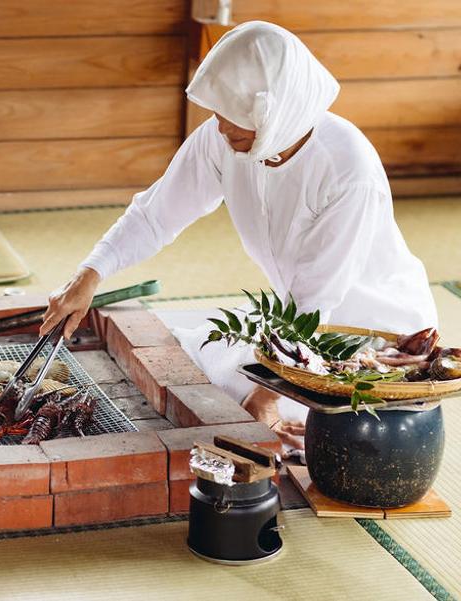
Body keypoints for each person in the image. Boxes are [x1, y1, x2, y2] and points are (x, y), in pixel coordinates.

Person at [39, 21, 437, 448]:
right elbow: (156, 214)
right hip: (295, 326)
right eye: (218, 113)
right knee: (192, 355)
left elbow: (315, 300)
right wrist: (88, 277)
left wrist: (267, 396)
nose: (223, 129)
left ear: (281, 111)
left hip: (369, 337)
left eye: (238, 118)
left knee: (267, 414)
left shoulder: (346, 168)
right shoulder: (225, 138)